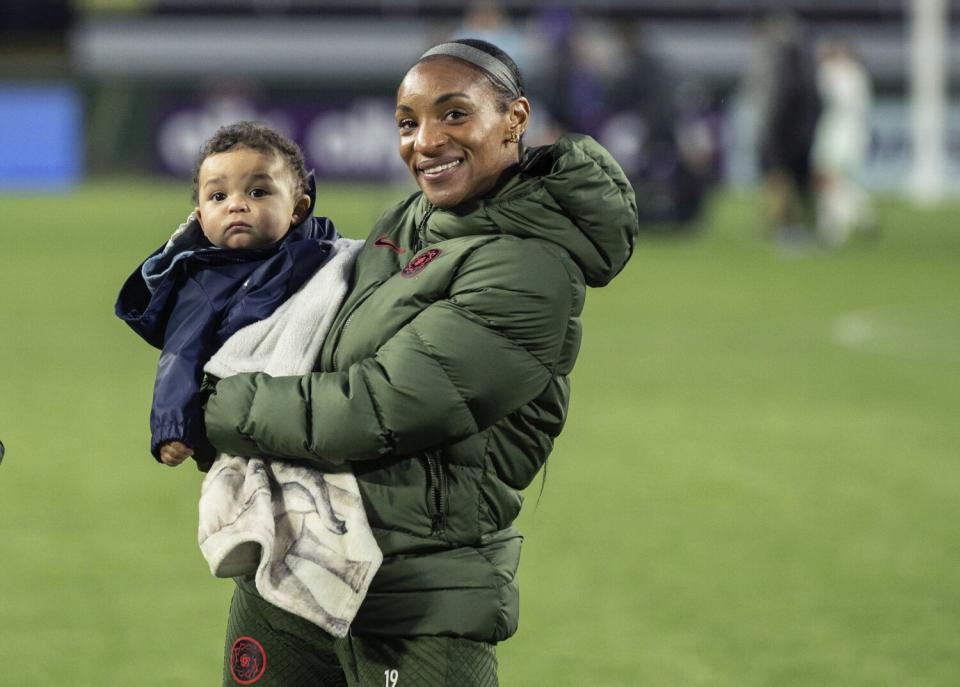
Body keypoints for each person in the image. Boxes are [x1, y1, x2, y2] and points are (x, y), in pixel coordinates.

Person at [203, 38, 639, 686]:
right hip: (294, 568)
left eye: (454, 115)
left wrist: (215, 403)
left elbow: (373, 407)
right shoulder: (415, 217)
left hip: (415, 598)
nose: (426, 141)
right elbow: (316, 339)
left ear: (514, 119)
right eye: (408, 123)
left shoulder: (531, 270)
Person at [116, 121, 338, 468]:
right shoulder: (204, 283)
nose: (236, 205)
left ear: (298, 208)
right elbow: (180, 356)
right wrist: (172, 427)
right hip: (259, 431)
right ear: (201, 219)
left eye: (257, 192)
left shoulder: (329, 249)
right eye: (219, 196)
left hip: (325, 418)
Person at [812, 39, 875, 246]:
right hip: (845, 131)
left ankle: (836, 226)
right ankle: (862, 215)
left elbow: (838, 102)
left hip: (841, 132)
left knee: (829, 179)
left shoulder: (839, 73)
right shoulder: (856, 73)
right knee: (834, 180)